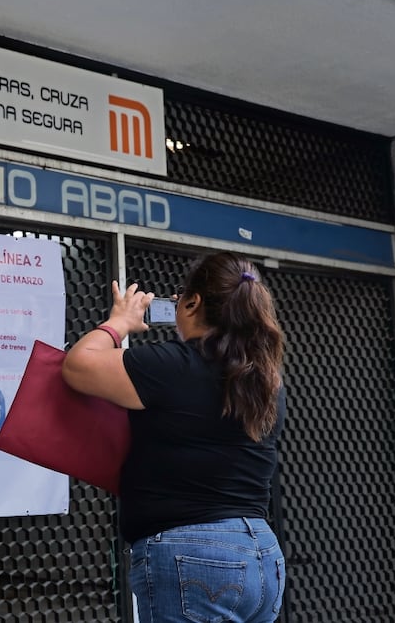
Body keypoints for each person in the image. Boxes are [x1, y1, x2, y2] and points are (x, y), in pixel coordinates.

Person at [61, 251, 286, 622]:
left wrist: (120, 322)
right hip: (262, 553)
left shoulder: (172, 364)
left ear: (193, 302)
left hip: (192, 552)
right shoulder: (267, 381)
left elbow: (78, 366)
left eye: (180, 295)